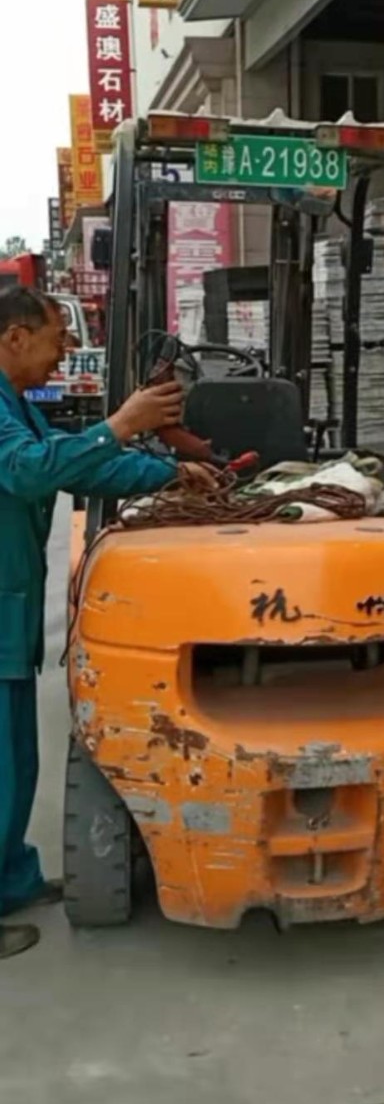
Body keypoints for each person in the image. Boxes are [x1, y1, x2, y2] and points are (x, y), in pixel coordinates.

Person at [0, 287, 215, 961]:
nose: (64, 352)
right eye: (56, 336)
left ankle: (12, 881)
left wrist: (171, 472)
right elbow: (29, 473)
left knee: (16, 763)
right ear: (13, 337)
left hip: (12, 611)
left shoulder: (18, 408)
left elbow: (80, 461)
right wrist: (121, 421)